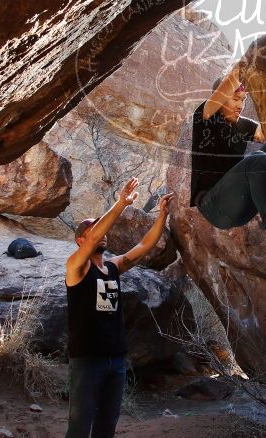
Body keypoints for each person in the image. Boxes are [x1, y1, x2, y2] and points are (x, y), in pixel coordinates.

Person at [64, 177, 175, 438]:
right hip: (87, 360)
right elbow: (94, 238)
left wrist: (162, 216)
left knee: (107, 425)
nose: (102, 235)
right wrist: (121, 204)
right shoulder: (76, 268)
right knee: (79, 426)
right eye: (94, 231)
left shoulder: (113, 267)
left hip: (116, 359)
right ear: (82, 240)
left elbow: (144, 246)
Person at [190, 32, 266, 260]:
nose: (239, 105)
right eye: (234, 99)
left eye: (242, 100)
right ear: (220, 99)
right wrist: (253, 53)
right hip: (215, 206)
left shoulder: (244, 126)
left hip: (241, 204)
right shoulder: (206, 115)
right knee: (257, 160)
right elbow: (232, 79)